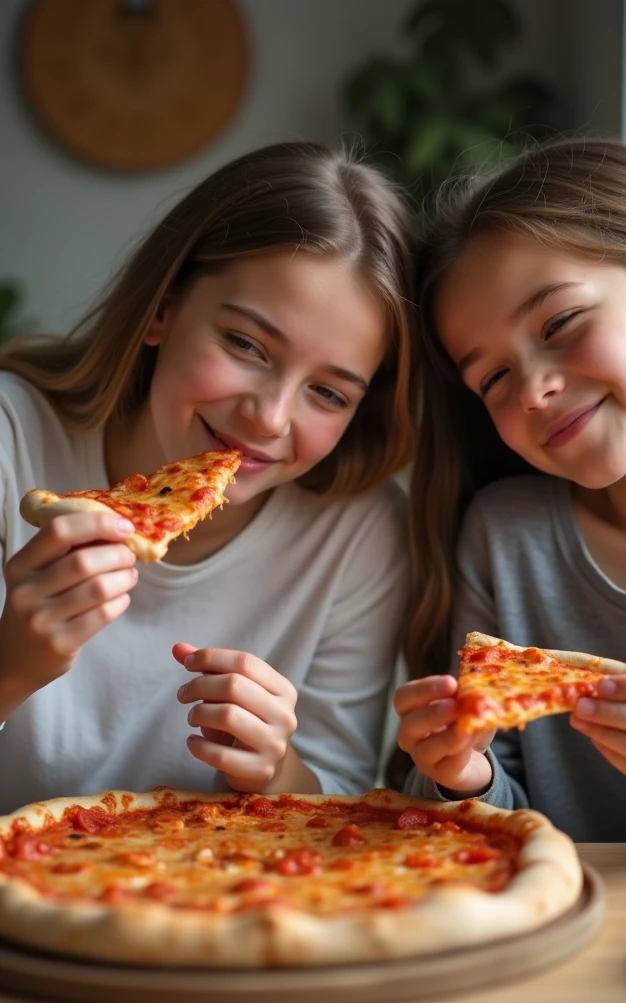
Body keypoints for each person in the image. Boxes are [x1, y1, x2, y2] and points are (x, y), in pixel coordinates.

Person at [0, 142, 417, 814]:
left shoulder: (359, 531)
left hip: (213, 902)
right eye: (247, 345)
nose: (268, 417)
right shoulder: (9, 439)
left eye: (329, 393)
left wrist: (278, 771)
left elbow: (345, 807)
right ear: (164, 306)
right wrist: (10, 669)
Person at [393, 137, 626, 841]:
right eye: (491, 377)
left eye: (560, 323)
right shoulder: (506, 537)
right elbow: (481, 812)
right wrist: (460, 775)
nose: (534, 390)